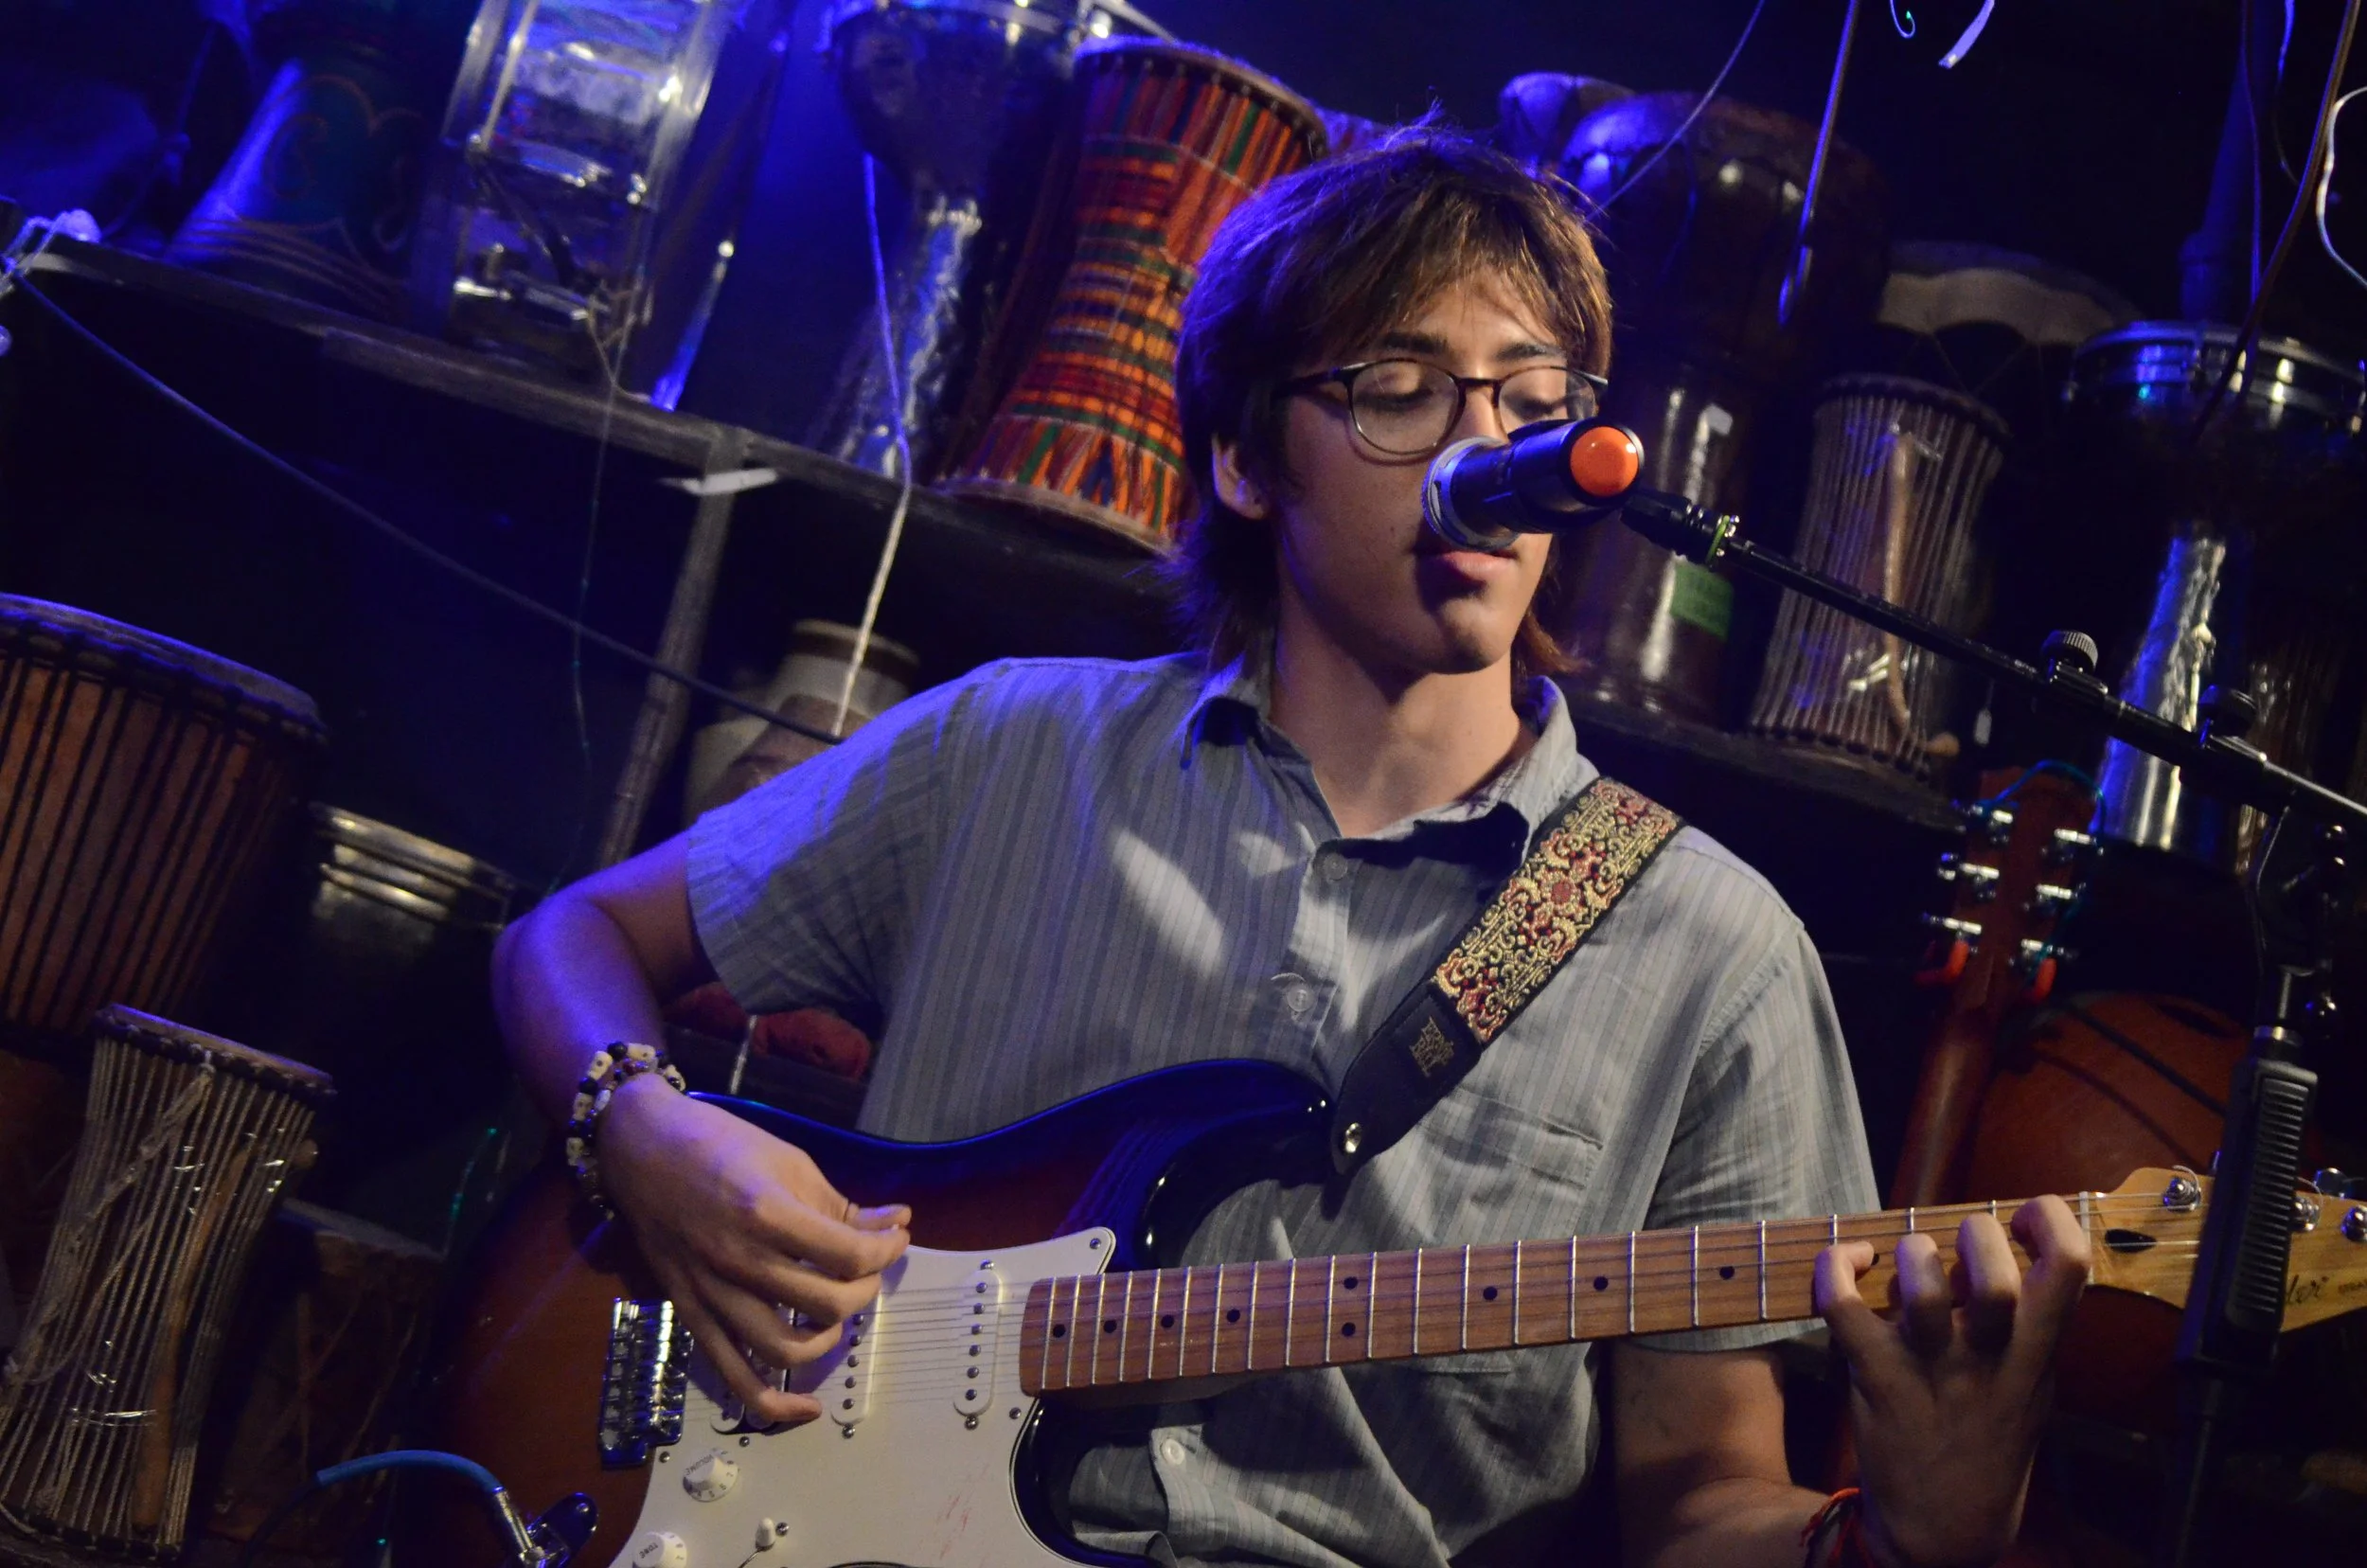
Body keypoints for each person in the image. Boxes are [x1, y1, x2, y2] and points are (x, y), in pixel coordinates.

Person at [492, 126, 2091, 1568]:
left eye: (1533, 405)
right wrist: (639, 1126)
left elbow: (1699, 1502)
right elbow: (570, 939)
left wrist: (1908, 1545)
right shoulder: (1008, 748)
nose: (1484, 461)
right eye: (1401, 391)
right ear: (1246, 460)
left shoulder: (1714, 952)